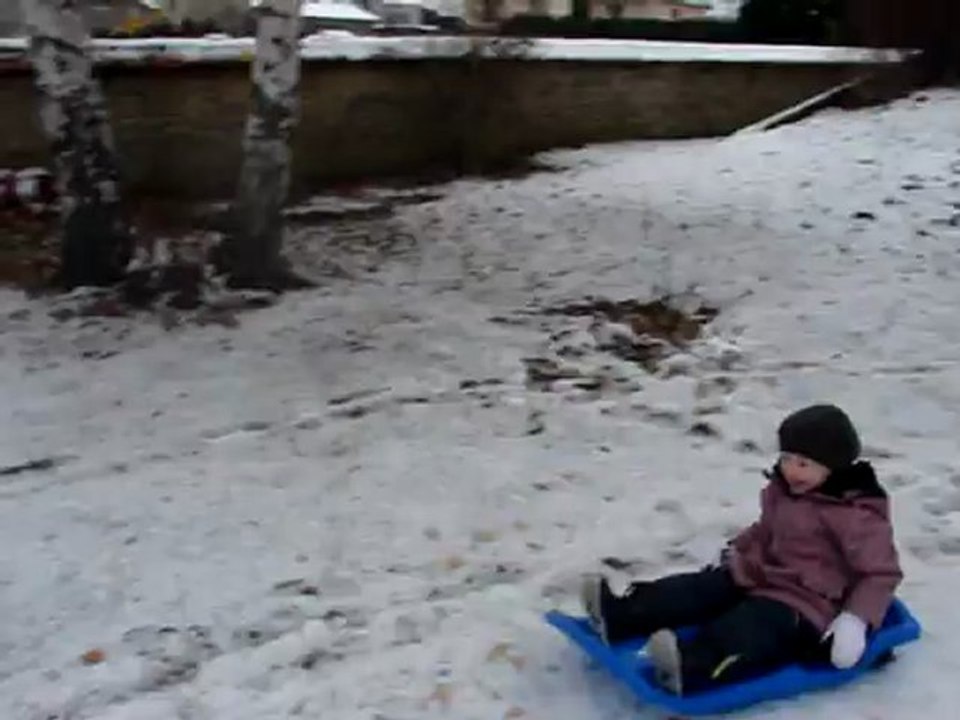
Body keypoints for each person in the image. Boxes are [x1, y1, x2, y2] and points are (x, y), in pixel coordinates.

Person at [580, 404, 903, 696]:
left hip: (803, 602)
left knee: (749, 629)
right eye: (786, 458)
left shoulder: (856, 517)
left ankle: (691, 666)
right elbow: (766, 529)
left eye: (803, 463)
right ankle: (620, 614)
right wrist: (740, 549)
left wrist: (855, 621)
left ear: (834, 468)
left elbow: (879, 574)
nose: (791, 470)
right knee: (698, 589)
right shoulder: (786, 491)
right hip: (759, 573)